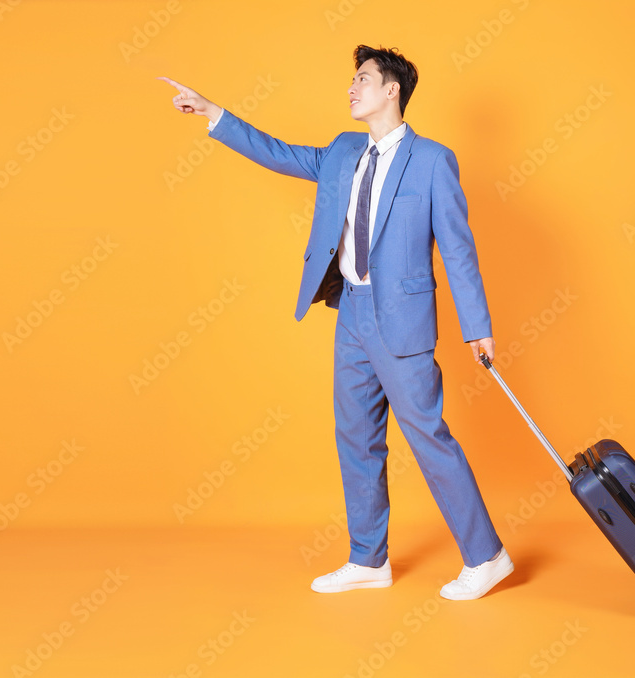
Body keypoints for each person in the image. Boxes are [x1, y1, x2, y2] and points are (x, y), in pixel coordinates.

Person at [158, 44, 513, 600]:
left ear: (392, 89)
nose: (352, 88)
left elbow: (458, 250)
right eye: (352, 80)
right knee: (357, 439)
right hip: (350, 310)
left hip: (403, 320)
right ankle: (368, 561)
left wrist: (477, 326)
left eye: (363, 79)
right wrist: (213, 113)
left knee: (429, 439)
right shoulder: (344, 151)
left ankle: (486, 555)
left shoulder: (433, 160)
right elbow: (277, 152)